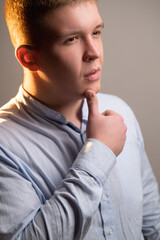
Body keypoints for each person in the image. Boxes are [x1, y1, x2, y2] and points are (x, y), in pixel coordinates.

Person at [0, 0, 160, 239]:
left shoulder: (120, 111)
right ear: (28, 58)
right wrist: (100, 153)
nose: (94, 52)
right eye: (72, 39)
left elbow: (152, 226)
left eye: (96, 32)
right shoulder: (4, 146)